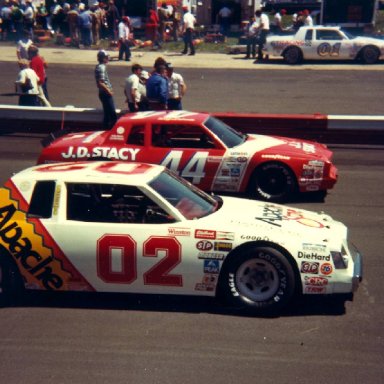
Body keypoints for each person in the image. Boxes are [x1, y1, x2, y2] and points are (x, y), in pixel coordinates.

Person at [95, 50, 117, 128]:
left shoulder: (99, 66)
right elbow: (100, 82)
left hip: (103, 93)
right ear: (103, 58)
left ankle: (105, 129)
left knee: (107, 114)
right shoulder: (102, 67)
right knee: (112, 114)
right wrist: (109, 91)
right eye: (106, 57)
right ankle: (110, 130)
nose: (108, 58)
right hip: (105, 93)